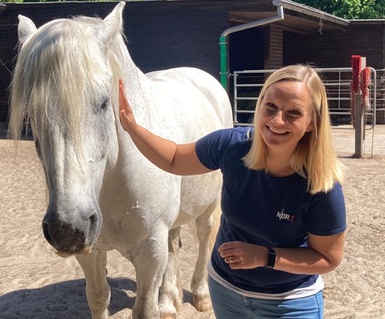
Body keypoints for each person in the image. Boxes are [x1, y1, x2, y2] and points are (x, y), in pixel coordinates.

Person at [118, 64, 346, 319]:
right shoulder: (233, 146)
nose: (277, 120)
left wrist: (266, 257)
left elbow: (328, 258)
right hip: (226, 291)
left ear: (311, 123)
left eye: (293, 113)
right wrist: (132, 128)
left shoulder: (321, 184)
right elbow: (173, 158)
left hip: (288, 302)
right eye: (270, 106)